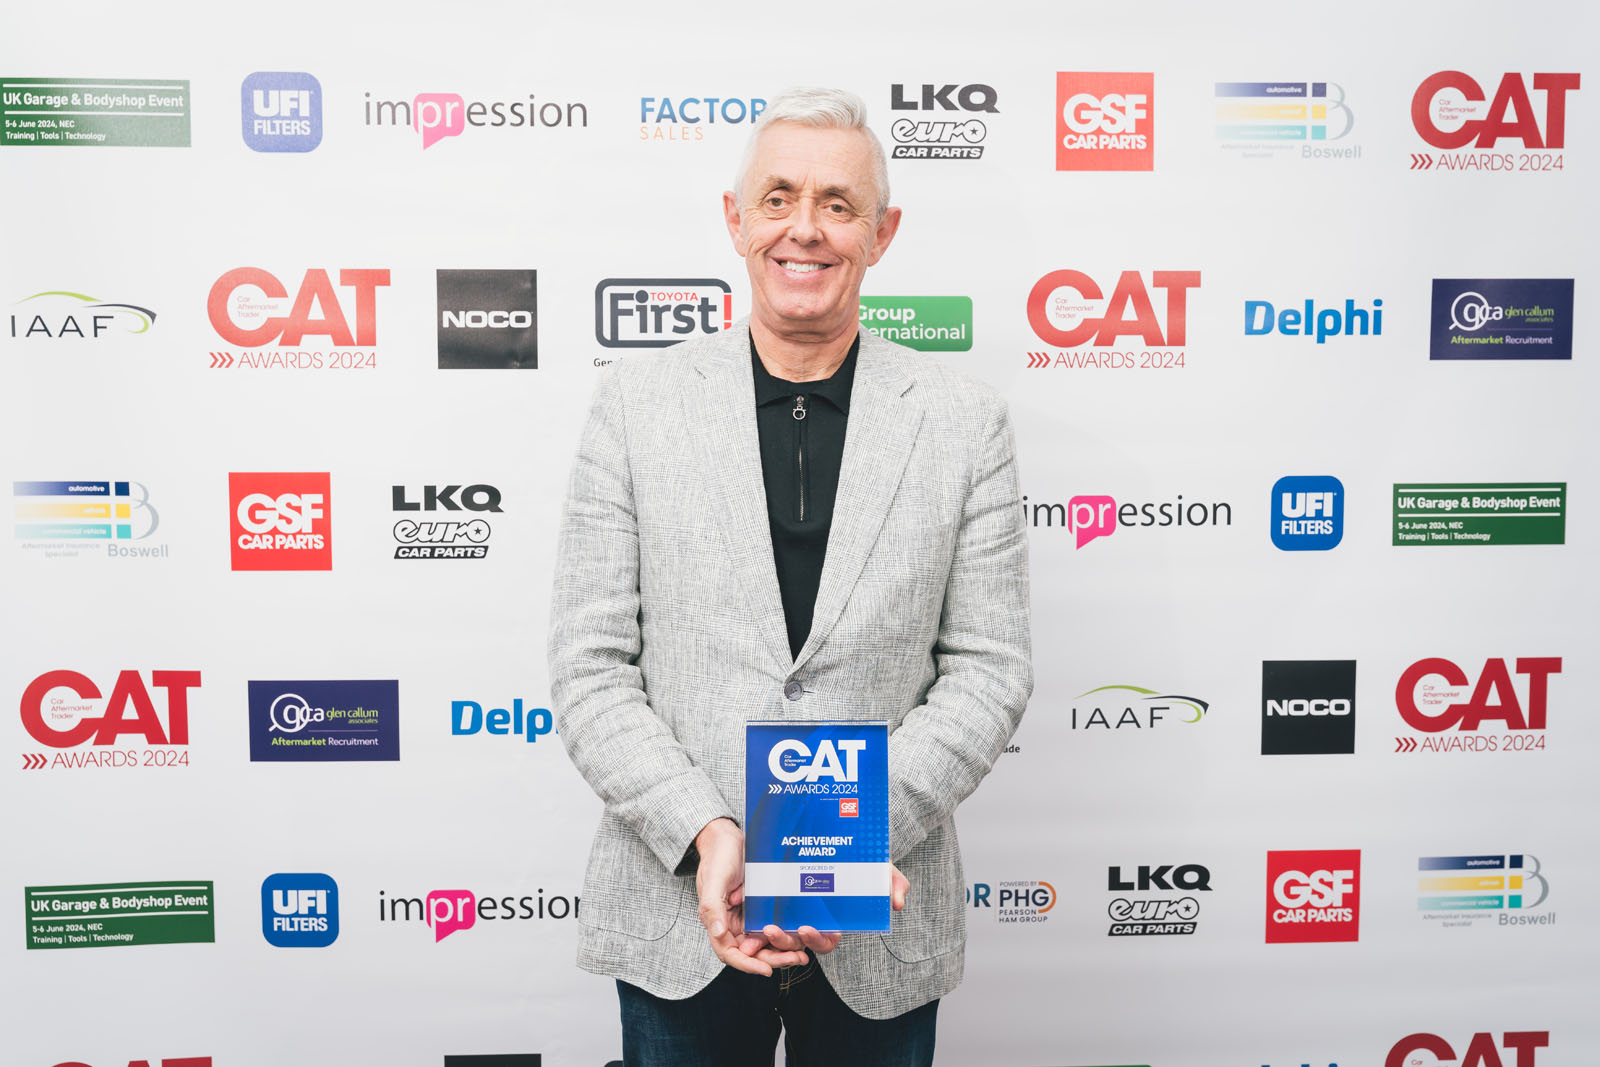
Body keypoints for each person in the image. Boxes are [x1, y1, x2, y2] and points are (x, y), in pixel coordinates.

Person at [549, 86, 1032, 1067]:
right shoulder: (634, 406)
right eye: (777, 198)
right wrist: (709, 833)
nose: (803, 228)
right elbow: (589, 666)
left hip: (879, 926)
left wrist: (843, 842)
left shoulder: (963, 420)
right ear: (736, 219)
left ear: (881, 233)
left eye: (837, 204)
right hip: (679, 911)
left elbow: (990, 670)